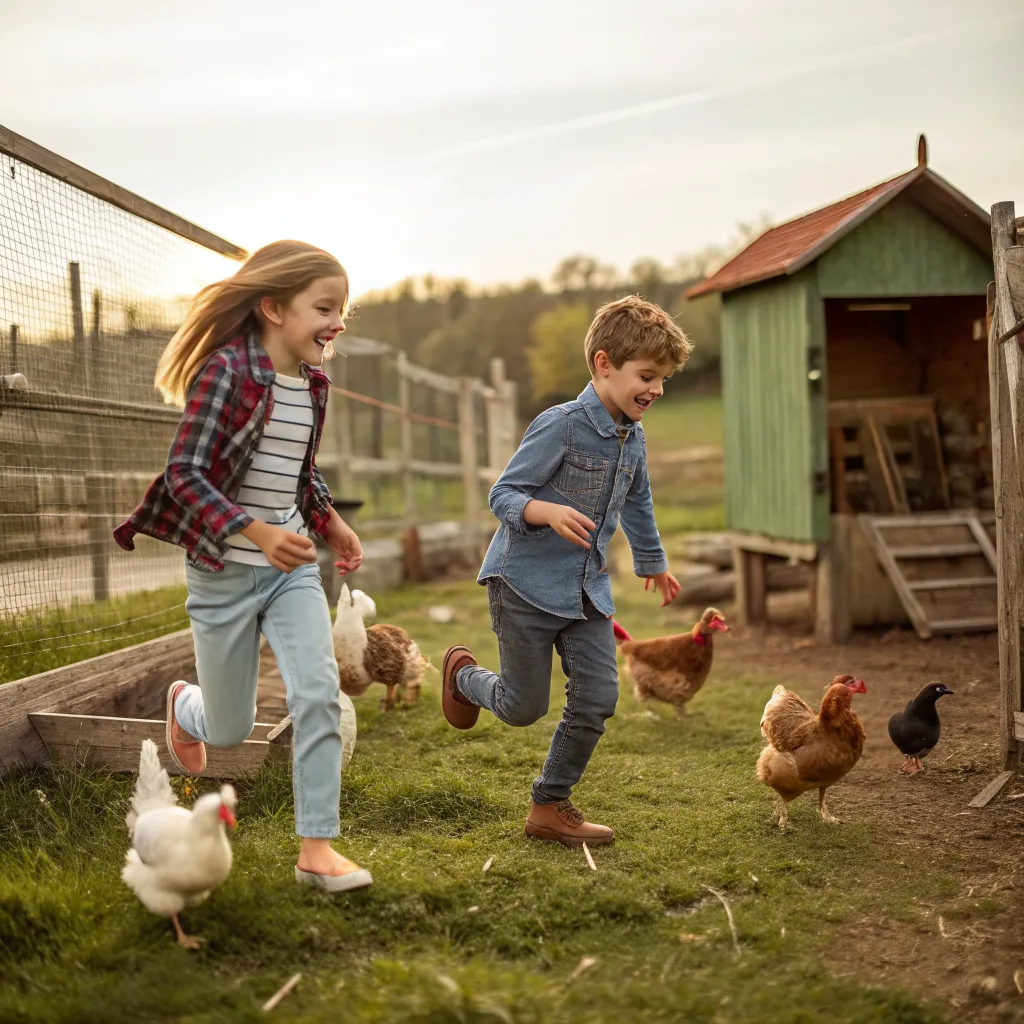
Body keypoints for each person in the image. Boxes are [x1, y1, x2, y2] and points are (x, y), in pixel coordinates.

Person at [114, 241, 371, 894]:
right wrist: (250, 528)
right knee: (230, 729)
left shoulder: (314, 383)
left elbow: (299, 472)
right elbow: (184, 473)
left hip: (290, 572)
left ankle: (318, 849)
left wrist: (328, 521)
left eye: (343, 308)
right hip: (222, 572)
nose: (337, 321)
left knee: (317, 695)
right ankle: (187, 707)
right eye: (325, 307)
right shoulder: (227, 372)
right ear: (273, 308)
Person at [441, 295, 691, 848]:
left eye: (664, 379)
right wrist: (546, 510)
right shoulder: (561, 425)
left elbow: (638, 500)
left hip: (586, 592)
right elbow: (502, 494)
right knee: (522, 707)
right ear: (604, 365)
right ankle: (463, 677)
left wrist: (653, 562)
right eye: (647, 375)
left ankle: (549, 804)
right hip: (524, 584)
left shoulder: (635, 436)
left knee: (599, 697)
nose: (656, 389)